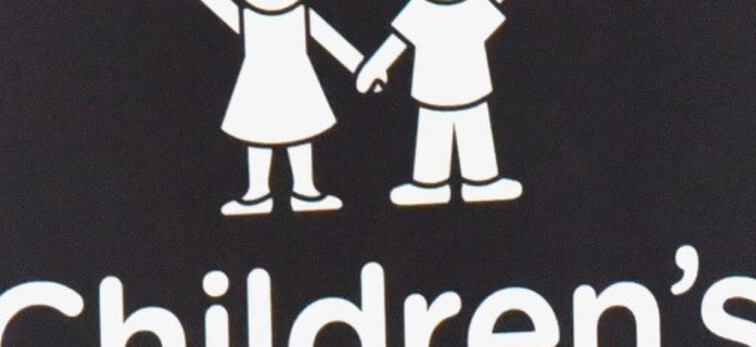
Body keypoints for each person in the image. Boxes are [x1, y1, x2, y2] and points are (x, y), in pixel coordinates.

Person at [195, 0, 368, 215]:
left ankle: (305, 190)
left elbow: (332, 41)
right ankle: (258, 192)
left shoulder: (301, 14)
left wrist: (363, 68)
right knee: (257, 138)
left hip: (295, 85)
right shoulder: (248, 16)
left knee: (301, 136)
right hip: (258, 87)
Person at [355, 0, 518, 206]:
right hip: (432, 91)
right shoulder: (420, 9)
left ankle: (482, 181)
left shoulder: (474, 6)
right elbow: (396, 43)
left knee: (474, 132)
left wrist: (372, 69)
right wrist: (374, 68)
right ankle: (430, 185)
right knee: (434, 137)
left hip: (471, 88)